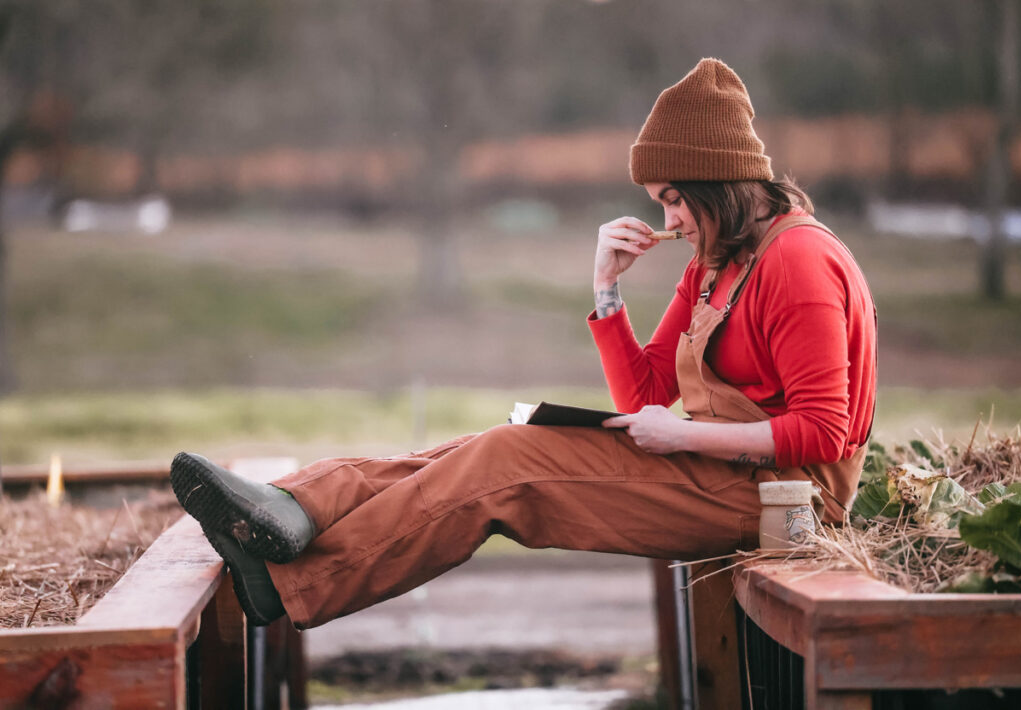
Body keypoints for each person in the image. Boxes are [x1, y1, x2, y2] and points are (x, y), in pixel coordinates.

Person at [170, 57, 876, 628]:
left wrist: (684, 437)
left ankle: (297, 583)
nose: (667, 217)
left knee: (507, 468)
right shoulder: (717, 261)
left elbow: (822, 430)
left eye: (672, 197)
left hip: (787, 500)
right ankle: (293, 508)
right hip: (724, 473)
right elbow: (645, 395)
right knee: (481, 447)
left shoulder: (797, 262)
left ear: (715, 184)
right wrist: (607, 288)